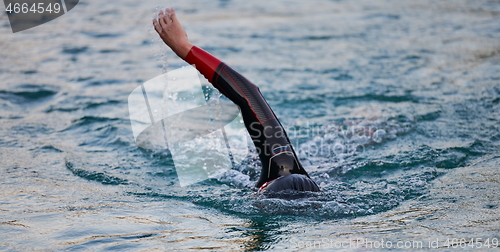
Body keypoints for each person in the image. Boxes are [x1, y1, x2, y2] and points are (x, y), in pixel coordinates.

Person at [153, 8, 320, 193]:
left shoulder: (282, 167)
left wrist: (184, 47)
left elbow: (249, 94)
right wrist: (185, 48)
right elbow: (249, 95)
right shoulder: (283, 168)